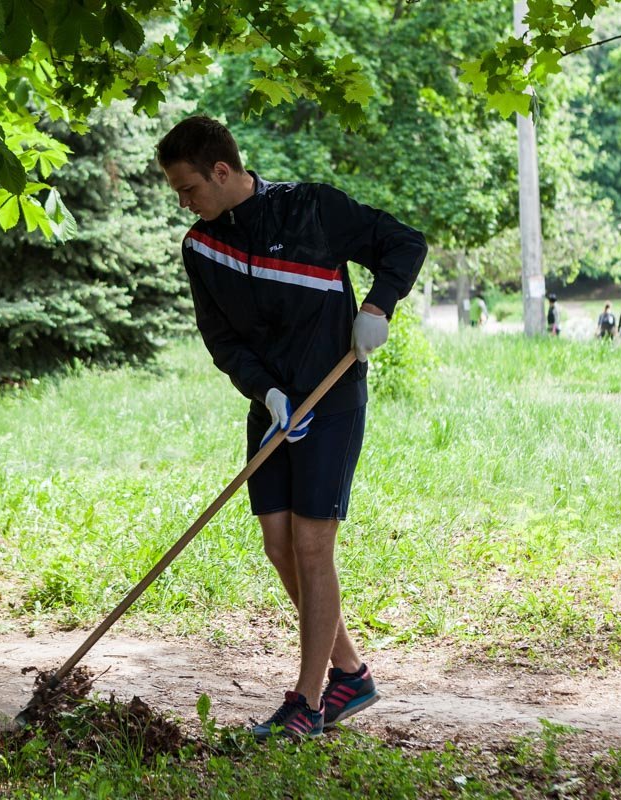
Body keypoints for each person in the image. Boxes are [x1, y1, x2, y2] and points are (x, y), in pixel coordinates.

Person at [156, 116, 426, 739]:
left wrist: (377, 307)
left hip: (330, 402)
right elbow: (220, 339)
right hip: (273, 406)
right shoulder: (201, 247)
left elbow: (404, 243)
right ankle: (352, 674)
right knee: (280, 548)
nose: (184, 202)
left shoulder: (311, 210)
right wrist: (265, 390)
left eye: (188, 188)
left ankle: (307, 702)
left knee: (312, 547)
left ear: (221, 171)